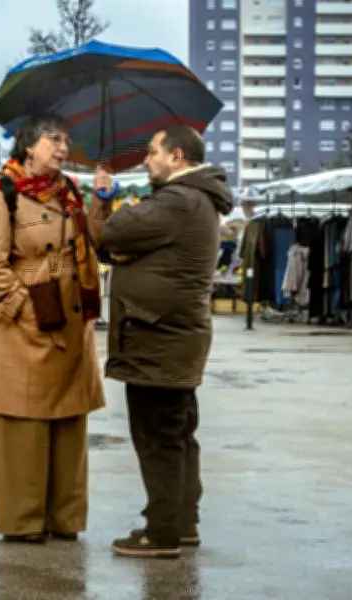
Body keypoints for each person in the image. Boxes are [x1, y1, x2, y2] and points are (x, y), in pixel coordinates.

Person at [0, 114, 115, 544]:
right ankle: (23, 522)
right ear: (29, 146)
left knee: (69, 424)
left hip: (72, 321)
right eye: (54, 139)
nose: (62, 147)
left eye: (65, 140)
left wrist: (102, 199)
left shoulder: (71, 189)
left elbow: (95, 238)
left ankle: (64, 519)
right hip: (26, 323)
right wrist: (23, 306)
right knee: (23, 424)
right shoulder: (1, 194)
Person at [95, 124, 233, 558]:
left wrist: (104, 200)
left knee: (159, 438)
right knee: (176, 435)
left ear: (176, 156)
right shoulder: (194, 200)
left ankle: (163, 533)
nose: (144, 159)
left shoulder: (179, 199)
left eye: (152, 151)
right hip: (169, 335)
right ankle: (181, 524)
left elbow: (113, 232)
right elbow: (116, 246)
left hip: (159, 335)